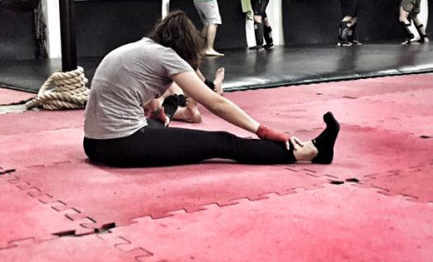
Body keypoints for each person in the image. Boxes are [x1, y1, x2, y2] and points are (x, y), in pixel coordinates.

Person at [82, 11, 340, 167]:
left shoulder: (136, 48)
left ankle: (177, 114)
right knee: (223, 141)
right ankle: (308, 152)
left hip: (92, 145)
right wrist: (263, 130)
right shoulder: (166, 56)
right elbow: (216, 103)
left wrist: (160, 112)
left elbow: (147, 102)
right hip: (122, 145)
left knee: (164, 115)